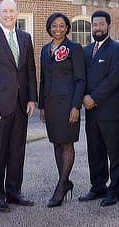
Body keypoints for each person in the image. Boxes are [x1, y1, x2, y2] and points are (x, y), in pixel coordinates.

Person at [0, 0, 37, 213]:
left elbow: (30, 70)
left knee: (17, 151)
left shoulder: (25, 37)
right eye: (5, 11)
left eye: (12, 11)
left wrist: (32, 98)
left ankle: (14, 191)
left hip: (21, 105)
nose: (9, 14)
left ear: (18, 13)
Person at [39, 12, 86, 207]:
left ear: (67, 28)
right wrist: (41, 105)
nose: (57, 29)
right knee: (56, 144)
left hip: (68, 104)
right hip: (50, 105)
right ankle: (64, 182)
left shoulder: (74, 48)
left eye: (62, 25)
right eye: (54, 26)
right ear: (49, 28)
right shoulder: (44, 49)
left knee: (66, 144)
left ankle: (60, 187)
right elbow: (43, 79)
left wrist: (76, 106)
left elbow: (80, 79)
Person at [80, 10, 119, 206]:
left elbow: (114, 79)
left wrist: (93, 97)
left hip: (110, 111)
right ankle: (98, 186)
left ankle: (114, 191)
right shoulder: (86, 50)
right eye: (94, 25)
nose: (97, 28)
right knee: (95, 151)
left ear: (108, 25)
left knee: (114, 153)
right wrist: (83, 97)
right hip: (91, 112)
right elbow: (81, 77)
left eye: (101, 24)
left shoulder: (117, 49)